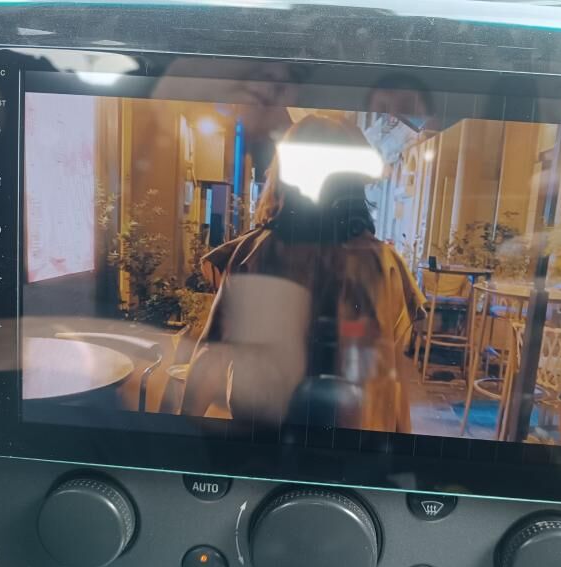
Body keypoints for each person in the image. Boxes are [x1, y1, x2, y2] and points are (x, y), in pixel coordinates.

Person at [180, 115, 425, 433]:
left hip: (262, 442)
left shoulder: (253, 254)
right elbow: (391, 377)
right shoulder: (383, 263)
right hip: (350, 446)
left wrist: (181, 438)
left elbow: (210, 356)